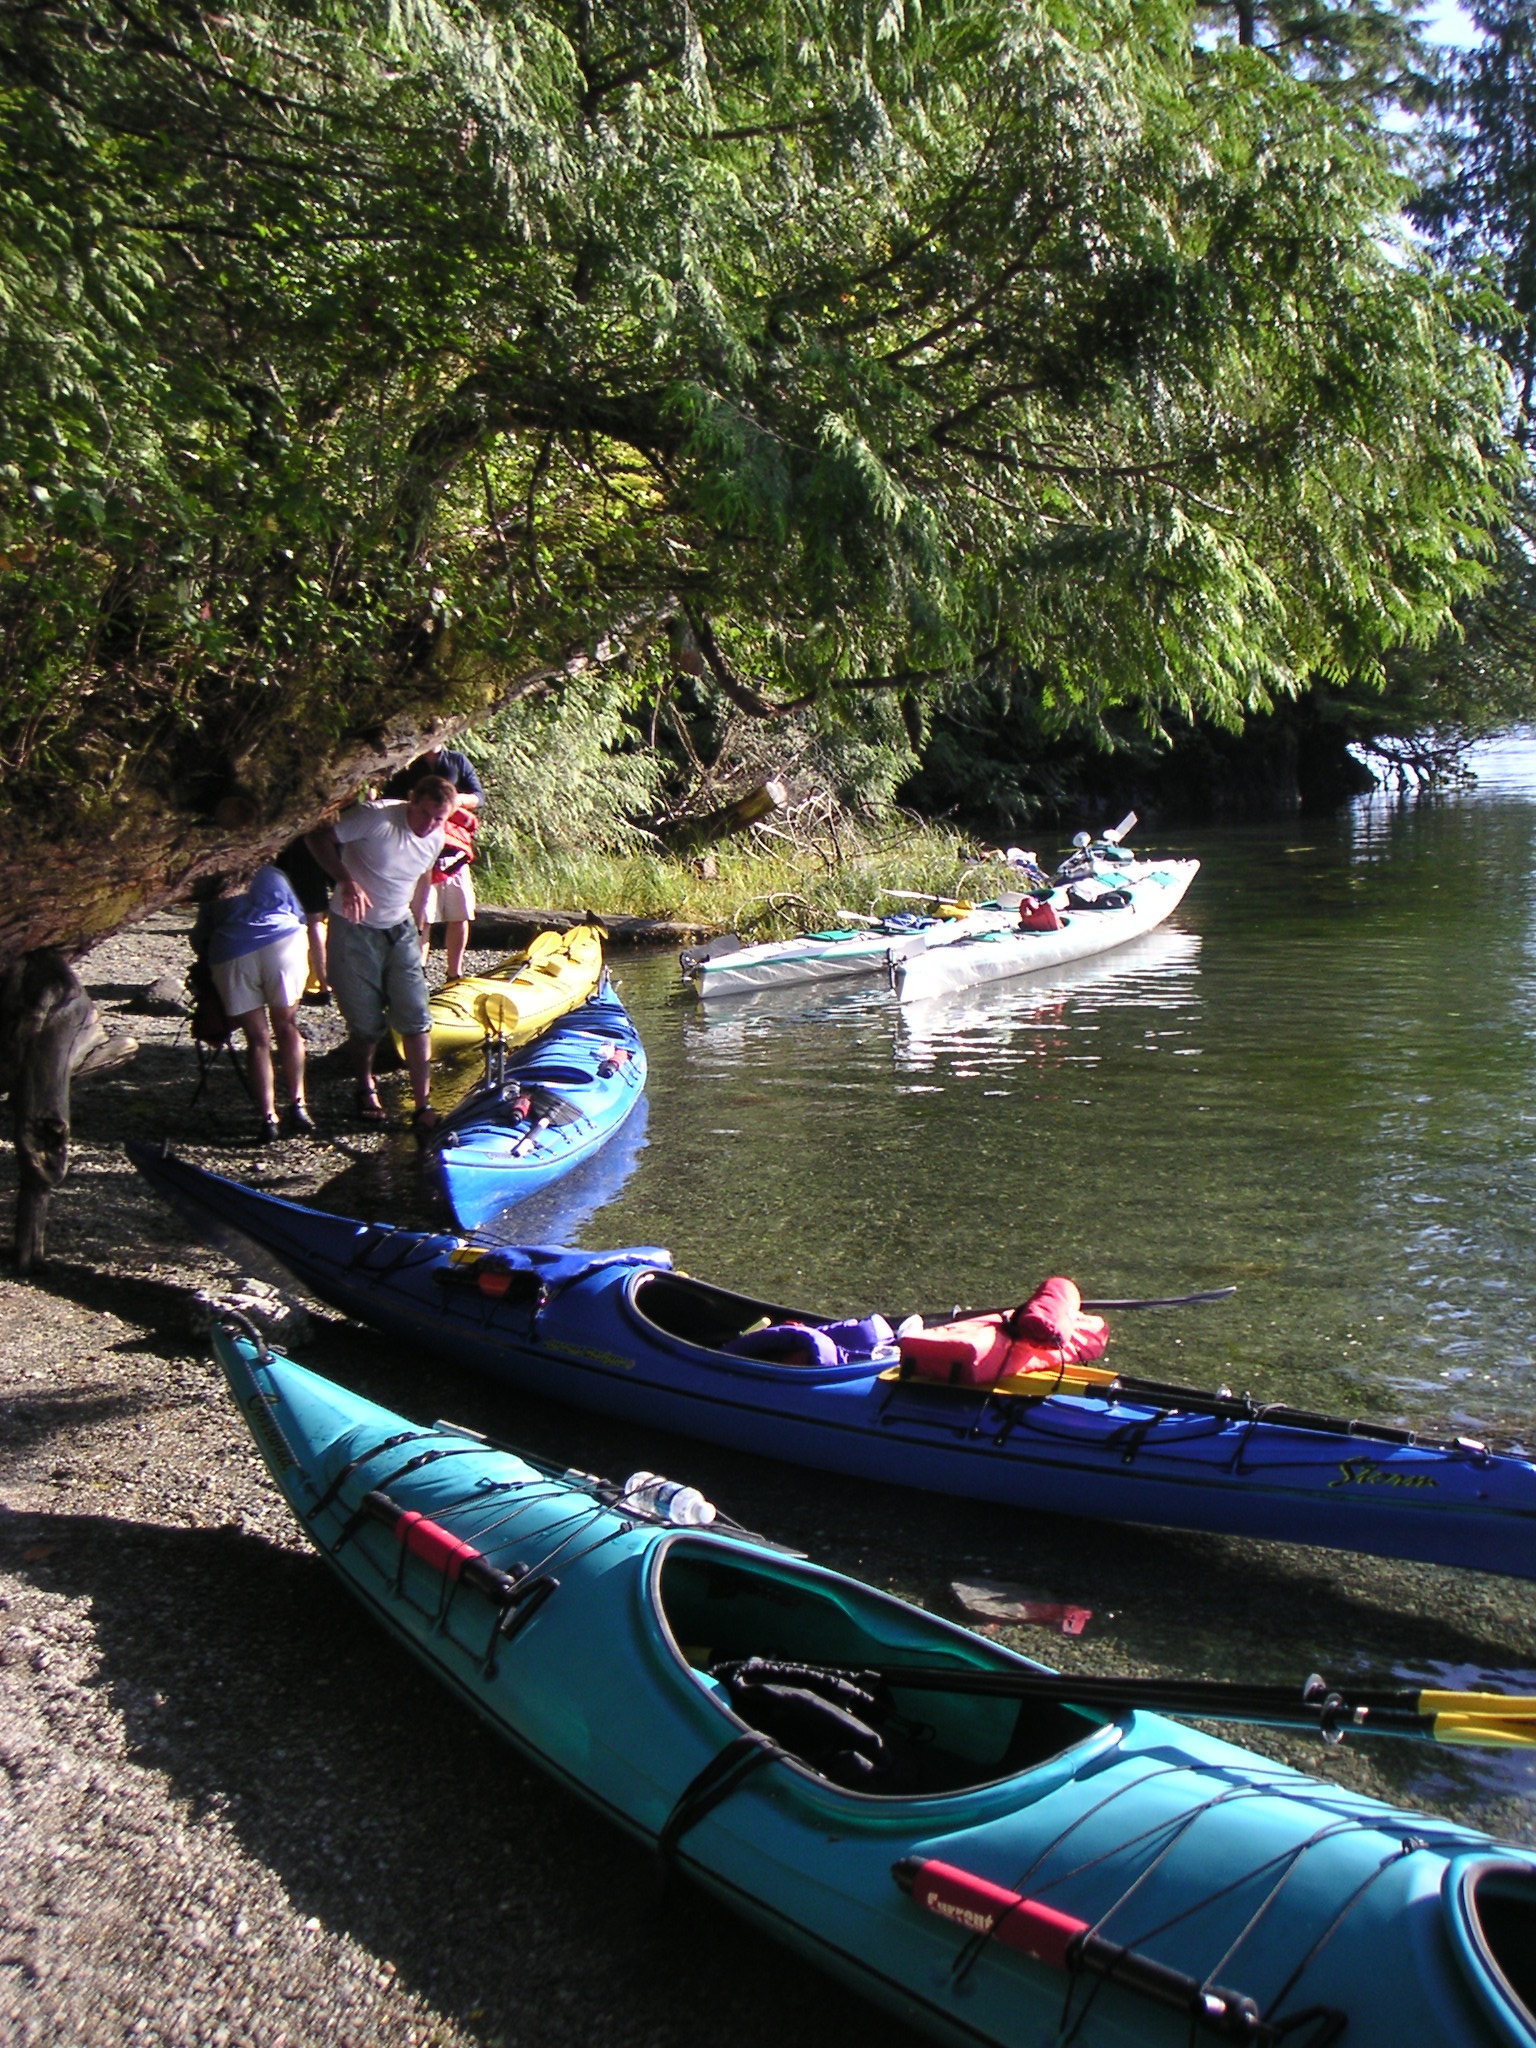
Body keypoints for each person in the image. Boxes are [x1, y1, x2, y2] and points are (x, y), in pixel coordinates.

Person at [304, 777, 457, 1131]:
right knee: (366, 1022)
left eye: (439, 818)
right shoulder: (376, 817)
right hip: (354, 927)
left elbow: (423, 876)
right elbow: (316, 838)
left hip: (399, 927)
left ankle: (423, 1105)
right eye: (425, 814)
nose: (430, 824)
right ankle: (365, 1085)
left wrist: (420, 916)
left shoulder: (436, 836)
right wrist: (346, 881)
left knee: (416, 1015)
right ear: (411, 800)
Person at [192, 865, 314, 1142]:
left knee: (257, 1039)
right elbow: (298, 914)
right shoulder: (272, 873)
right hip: (282, 944)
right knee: (287, 1025)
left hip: (232, 952)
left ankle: (268, 1117)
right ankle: (298, 1103)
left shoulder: (216, 878)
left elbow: (201, 935)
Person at [382, 745, 483, 981]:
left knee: (460, 912)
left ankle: (455, 972)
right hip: (419, 848)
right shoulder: (407, 763)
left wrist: (456, 800)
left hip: (453, 849)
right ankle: (418, 968)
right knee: (423, 914)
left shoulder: (457, 760)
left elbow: (478, 796)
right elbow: (390, 799)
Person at [274, 834, 334, 1006]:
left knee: (314, 920)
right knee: (324, 918)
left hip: (303, 850)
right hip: (329, 842)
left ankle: (322, 984)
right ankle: (326, 981)